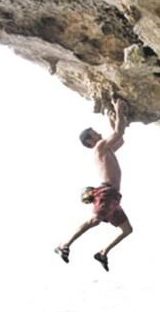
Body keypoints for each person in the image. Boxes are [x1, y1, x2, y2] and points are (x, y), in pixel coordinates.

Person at [55, 97, 133, 271]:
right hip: (106, 193)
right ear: (90, 141)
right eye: (95, 133)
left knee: (127, 229)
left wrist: (111, 116)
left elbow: (120, 139)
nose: (99, 134)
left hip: (113, 197)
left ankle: (103, 253)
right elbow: (119, 133)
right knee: (95, 220)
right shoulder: (99, 147)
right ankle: (64, 244)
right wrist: (118, 109)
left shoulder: (106, 150)